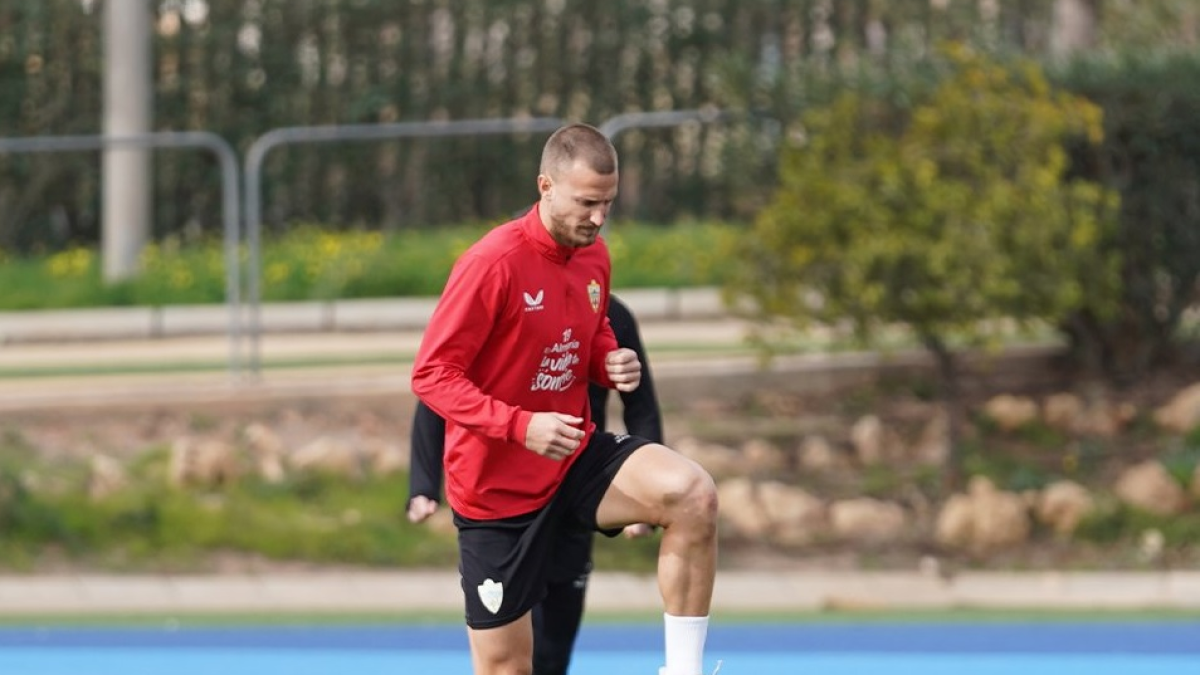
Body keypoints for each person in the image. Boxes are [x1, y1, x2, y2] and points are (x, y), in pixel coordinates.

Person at [410, 122, 719, 675]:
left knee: (692, 493)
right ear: (545, 186)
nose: (598, 219)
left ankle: (683, 671)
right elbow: (432, 376)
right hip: (495, 492)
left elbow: (590, 328)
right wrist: (519, 426)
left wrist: (607, 358)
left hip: (571, 460)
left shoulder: (594, 256)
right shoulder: (492, 264)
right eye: (586, 203)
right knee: (510, 667)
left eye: (608, 204)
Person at [407, 294, 663, 675]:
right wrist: (423, 484)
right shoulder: (496, 306)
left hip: (574, 487)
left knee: (554, 649)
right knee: (505, 655)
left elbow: (640, 406)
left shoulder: (613, 314)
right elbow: (437, 391)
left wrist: (648, 498)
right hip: (501, 493)